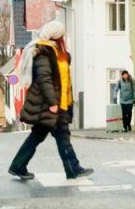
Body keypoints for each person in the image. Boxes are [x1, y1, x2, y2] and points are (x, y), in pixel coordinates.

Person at [8, 21, 93, 180]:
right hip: (50, 104)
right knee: (62, 136)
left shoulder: (54, 51)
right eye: (62, 34)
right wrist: (53, 103)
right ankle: (73, 169)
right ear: (57, 36)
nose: (64, 37)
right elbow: (44, 79)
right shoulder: (43, 52)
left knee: (38, 136)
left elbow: (62, 69)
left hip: (54, 103)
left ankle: (18, 166)